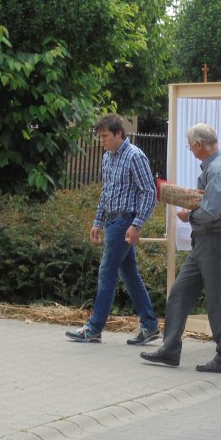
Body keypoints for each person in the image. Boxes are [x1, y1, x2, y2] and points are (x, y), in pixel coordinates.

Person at [140, 123, 221, 374]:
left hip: (213, 240)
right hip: (207, 241)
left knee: (216, 301)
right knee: (179, 292)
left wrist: (189, 216)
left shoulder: (217, 169)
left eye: (190, 145)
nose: (190, 149)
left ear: (199, 144)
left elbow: (210, 210)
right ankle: (170, 349)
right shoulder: (217, 166)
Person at [66, 113, 160, 345]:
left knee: (107, 271)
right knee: (128, 273)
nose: (102, 141)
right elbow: (106, 191)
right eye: (100, 137)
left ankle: (94, 327)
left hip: (124, 221)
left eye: (105, 136)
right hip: (112, 220)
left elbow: (149, 192)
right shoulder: (107, 157)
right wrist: (98, 221)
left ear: (119, 134)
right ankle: (150, 325)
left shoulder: (135, 156)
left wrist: (137, 224)